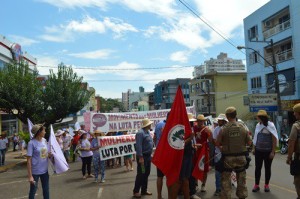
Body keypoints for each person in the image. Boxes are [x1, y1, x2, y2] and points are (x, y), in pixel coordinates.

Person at [216, 107, 252, 199]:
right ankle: (242, 195)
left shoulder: (224, 129)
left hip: (228, 159)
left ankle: (226, 196)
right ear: (236, 115)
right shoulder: (243, 128)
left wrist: (222, 148)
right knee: (241, 180)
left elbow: (217, 143)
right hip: (241, 158)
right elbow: (249, 142)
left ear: (227, 117)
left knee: (226, 181)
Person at [252, 110, 278, 192]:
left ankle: (266, 185)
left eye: (258, 117)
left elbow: (274, 139)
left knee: (267, 168)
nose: (257, 118)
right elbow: (255, 137)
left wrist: (273, 152)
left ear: (262, 118)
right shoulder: (258, 125)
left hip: (268, 151)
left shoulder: (271, 125)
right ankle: (256, 185)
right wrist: (254, 148)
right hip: (258, 151)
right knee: (257, 168)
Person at [27, 124, 51, 199]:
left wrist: (49, 154)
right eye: (44, 130)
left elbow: (44, 154)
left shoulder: (44, 140)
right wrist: (30, 176)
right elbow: (28, 160)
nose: (45, 132)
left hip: (45, 170)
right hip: (35, 172)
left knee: (46, 190)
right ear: (39, 132)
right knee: (33, 190)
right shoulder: (31, 143)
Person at [133, 118, 154, 198]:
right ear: (147, 125)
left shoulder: (147, 132)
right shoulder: (140, 133)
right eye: (149, 124)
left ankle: (144, 190)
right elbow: (139, 146)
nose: (150, 125)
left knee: (146, 173)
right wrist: (140, 157)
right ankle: (136, 191)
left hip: (148, 157)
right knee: (141, 174)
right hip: (143, 157)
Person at [192, 114, 212, 192]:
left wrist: (210, 133)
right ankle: (196, 184)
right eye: (199, 121)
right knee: (195, 167)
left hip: (204, 151)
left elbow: (210, 141)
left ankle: (203, 185)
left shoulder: (206, 129)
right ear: (197, 121)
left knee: (205, 168)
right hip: (196, 150)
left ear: (204, 121)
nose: (200, 122)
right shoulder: (193, 128)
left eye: (202, 121)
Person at [286, 103, 300, 199]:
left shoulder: (296, 126)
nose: (294, 114)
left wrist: (289, 157)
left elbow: (291, 143)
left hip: (299, 158)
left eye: (295, 112)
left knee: (298, 180)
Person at [153, 113, 168, 199]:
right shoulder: (171, 125)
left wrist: (157, 146)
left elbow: (154, 137)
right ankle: (171, 195)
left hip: (159, 152)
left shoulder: (158, 124)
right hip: (168, 154)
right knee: (169, 176)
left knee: (160, 176)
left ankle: (159, 196)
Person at [212, 114, 227, 196]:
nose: (218, 121)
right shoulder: (216, 129)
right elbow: (214, 140)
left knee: (226, 172)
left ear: (224, 121)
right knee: (218, 172)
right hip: (218, 153)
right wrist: (220, 147)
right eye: (218, 120)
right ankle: (218, 188)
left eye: (220, 120)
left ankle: (225, 189)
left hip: (227, 153)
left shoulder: (227, 128)